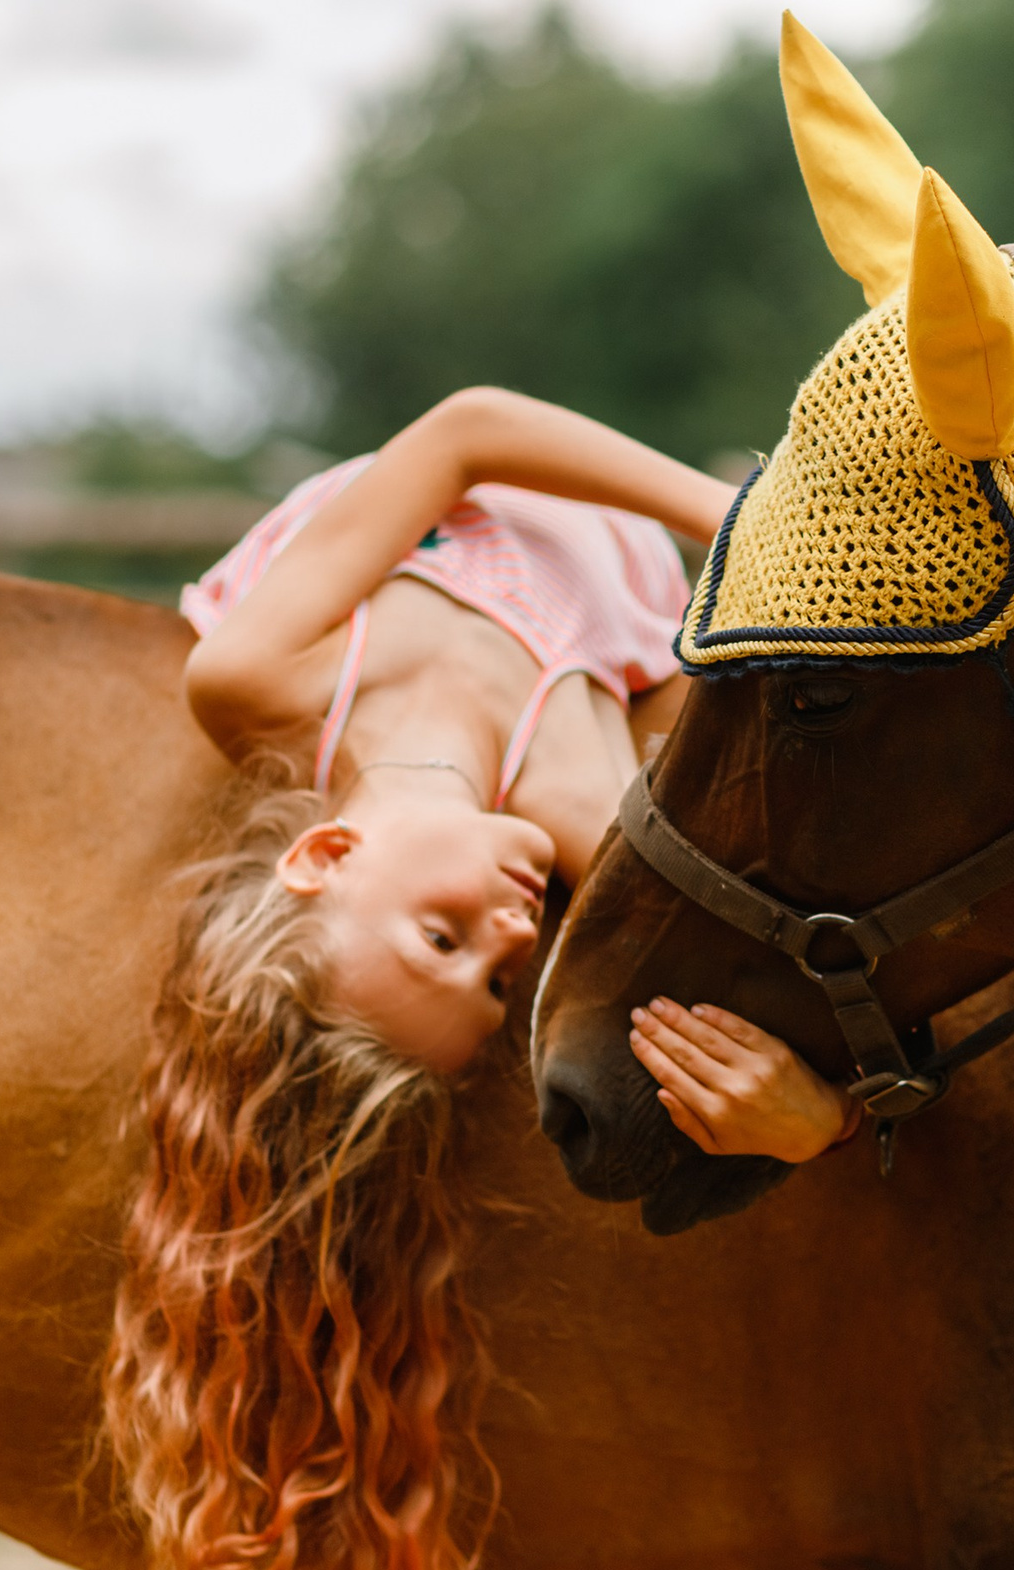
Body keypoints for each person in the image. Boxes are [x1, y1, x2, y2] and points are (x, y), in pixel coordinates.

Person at [172, 384, 854, 1163]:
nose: (514, 936)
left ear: (325, 853)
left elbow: (469, 434)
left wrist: (749, 519)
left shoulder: (259, 678)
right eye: (497, 984)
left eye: (439, 937)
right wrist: (827, 1118)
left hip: (476, 485)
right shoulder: (592, 815)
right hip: (614, 568)